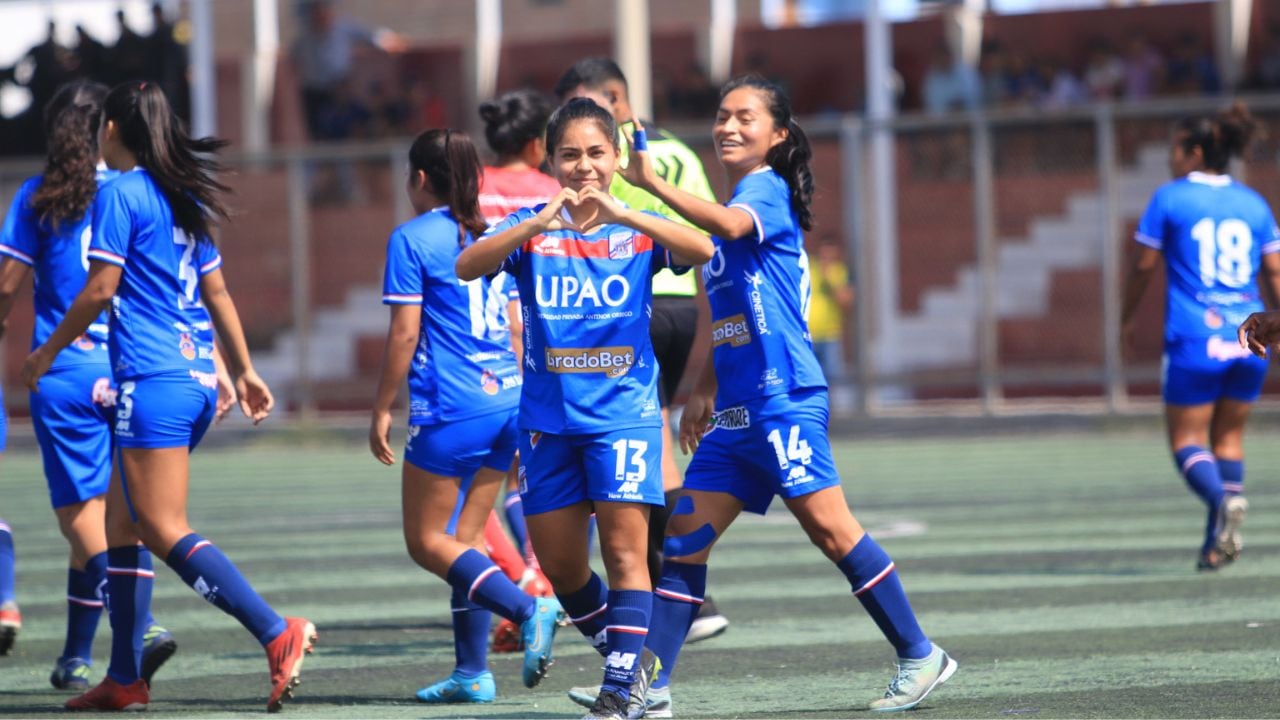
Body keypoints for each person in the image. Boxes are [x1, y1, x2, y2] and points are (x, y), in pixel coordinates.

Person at [573, 74, 958, 716]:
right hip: (737, 414)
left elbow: (723, 223)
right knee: (686, 542)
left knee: (834, 535)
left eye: (744, 117)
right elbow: (731, 319)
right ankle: (650, 688)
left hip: (784, 400)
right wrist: (701, 390)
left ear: (777, 135)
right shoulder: (738, 204)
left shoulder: (763, 190)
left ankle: (921, 655)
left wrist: (646, 183)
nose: (727, 126)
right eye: (722, 115)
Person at [20, 81, 315, 712]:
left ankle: (275, 630)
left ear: (113, 132)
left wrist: (45, 353)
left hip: (153, 383)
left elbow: (101, 289)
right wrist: (244, 370)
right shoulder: (182, 195)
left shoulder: (122, 192)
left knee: (158, 524)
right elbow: (219, 294)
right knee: (123, 527)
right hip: (193, 378)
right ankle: (125, 678)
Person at [455, 97, 714, 720]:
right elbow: (468, 265)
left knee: (627, 558)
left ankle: (621, 690)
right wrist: (535, 223)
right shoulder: (530, 227)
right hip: (546, 424)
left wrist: (629, 208)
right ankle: (635, 671)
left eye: (596, 153)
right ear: (550, 159)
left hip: (623, 417)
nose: (584, 166)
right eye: (569, 154)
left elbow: (703, 249)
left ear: (616, 157)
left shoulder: (636, 226)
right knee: (565, 569)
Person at [368, 127, 563, 703]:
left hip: (452, 407)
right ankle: (472, 672)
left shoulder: (412, 238)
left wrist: (380, 408)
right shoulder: (486, 231)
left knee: (428, 542)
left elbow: (404, 334)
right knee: (467, 540)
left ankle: (527, 608)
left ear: (420, 178)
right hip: (505, 397)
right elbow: (510, 319)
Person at [0, 80, 182, 693]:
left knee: (82, 516)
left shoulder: (40, 194)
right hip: (129, 369)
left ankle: (145, 624)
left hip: (67, 374)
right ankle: (77, 656)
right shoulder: (137, 189)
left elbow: (6, 285)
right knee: (119, 519)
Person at [554, 57, 730, 644]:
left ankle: (671, 586)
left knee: (647, 444)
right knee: (656, 442)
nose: (585, 160)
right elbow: (700, 223)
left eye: (587, 101)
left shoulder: (609, 151)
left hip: (636, 297)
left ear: (612, 97)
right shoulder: (679, 148)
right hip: (681, 298)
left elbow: (645, 227)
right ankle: (681, 587)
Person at [1122, 102, 1280, 571]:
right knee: (1228, 439)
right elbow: (1275, 271)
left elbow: (1142, 266)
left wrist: (1126, 317)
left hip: (1196, 338)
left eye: (1174, 147)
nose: (1170, 157)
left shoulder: (1170, 198)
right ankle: (1217, 543)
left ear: (1193, 151)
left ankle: (1219, 503)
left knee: (1186, 442)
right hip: (1250, 337)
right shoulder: (1253, 203)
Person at [476, 89, 561, 653]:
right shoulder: (553, 192)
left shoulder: (471, 187)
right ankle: (540, 573)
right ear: (538, 144)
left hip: (478, 349)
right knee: (524, 473)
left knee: (474, 487)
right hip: (541, 341)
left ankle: (528, 584)